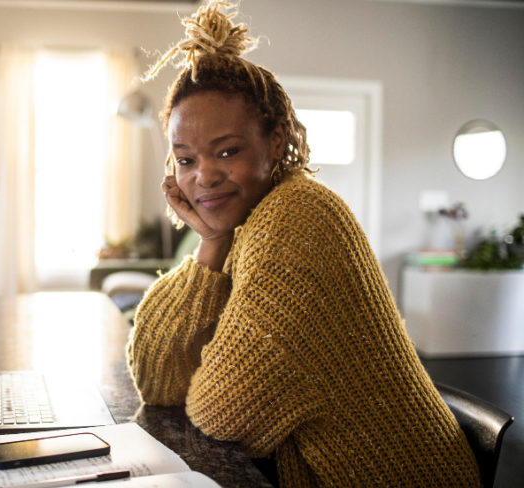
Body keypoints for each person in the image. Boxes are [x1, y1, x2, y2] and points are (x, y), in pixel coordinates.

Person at [126, 2, 482, 487]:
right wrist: (210, 242)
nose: (203, 176)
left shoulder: (295, 220)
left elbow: (220, 411)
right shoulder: (245, 226)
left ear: (275, 143)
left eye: (227, 151)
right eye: (185, 159)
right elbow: (156, 380)